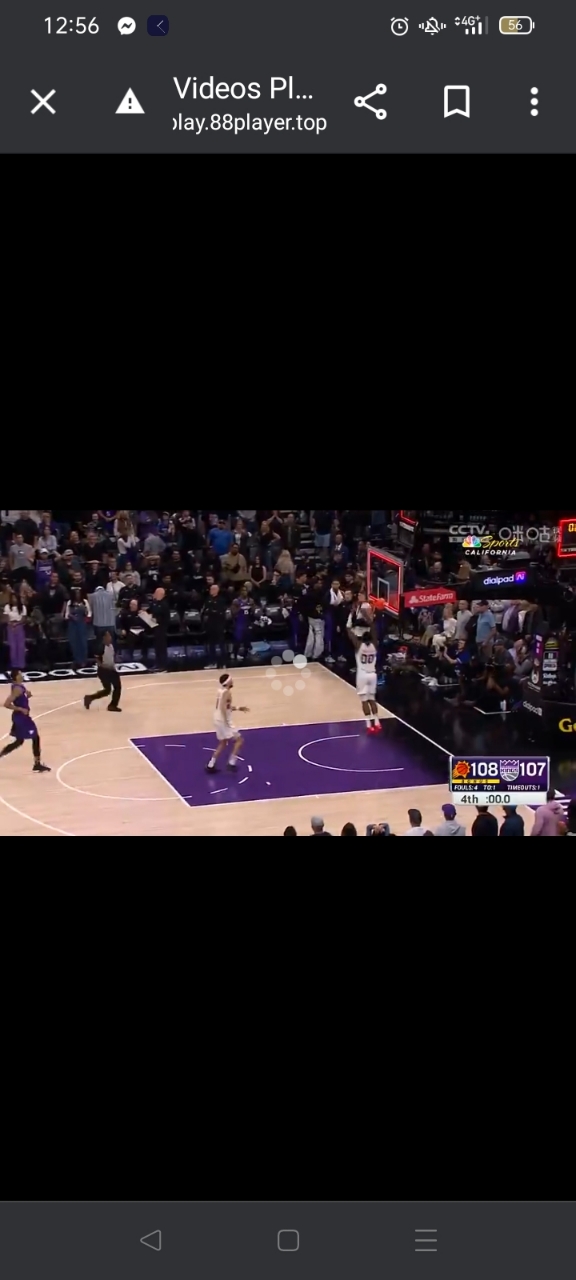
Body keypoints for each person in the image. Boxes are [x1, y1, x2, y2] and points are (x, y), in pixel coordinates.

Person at [0, 669, 50, 772]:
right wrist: (21, 709)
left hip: (21, 718)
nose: (22, 675)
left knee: (19, 741)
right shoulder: (17, 689)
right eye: (20, 674)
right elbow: (6, 704)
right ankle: (37, 764)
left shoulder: (20, 686)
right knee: (35, 737)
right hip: (22, 719)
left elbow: (22, 697)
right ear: (16, 677)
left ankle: (1, 754)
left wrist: (27, 695)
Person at [205, 673, 249, 773]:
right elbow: (223, 708)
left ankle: (211, 765)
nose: (232, 680)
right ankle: (231, 763)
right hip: (223, 720)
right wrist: (227, 722)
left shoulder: (220, 691)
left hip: (217, 718)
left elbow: (225, 706)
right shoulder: (227, 693)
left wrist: (238, 708)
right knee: (239, 740)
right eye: (231, 679)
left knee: (223, 743)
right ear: (228, 682)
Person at [347, 614, 380, 734]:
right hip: (373, 675)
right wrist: (369, 619)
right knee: (372, 699)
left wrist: (350, 617)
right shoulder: (374, 645)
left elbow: (349, 632)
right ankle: (377, 723)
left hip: (362, 675)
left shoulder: (358, 645)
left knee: (364, 700)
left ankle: (369, 725)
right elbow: (374, 630)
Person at [83, 630, 122, 712]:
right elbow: (97, 658)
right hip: (105, 671)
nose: (110, 637)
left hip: (111, 669)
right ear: (104, 637)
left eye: (110, 636)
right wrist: (102, 666)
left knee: (107, 690)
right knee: (117, 687)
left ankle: (90, 697)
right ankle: (112, 705)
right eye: (108, 636)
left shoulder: (111, 646)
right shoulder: (101, 647)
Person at [3, 592, 27, 670]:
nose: (14, 599)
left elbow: (23, 618)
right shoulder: (7, 607)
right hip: (10, 627)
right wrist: (11, 624)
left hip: (19, 626)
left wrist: (17, 624)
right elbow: (6, 618)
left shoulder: (22, 607)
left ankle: (21, 664)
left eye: (15, 598)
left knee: (20, 646)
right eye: (12, 598)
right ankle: (14, 664)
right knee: (13, 646)